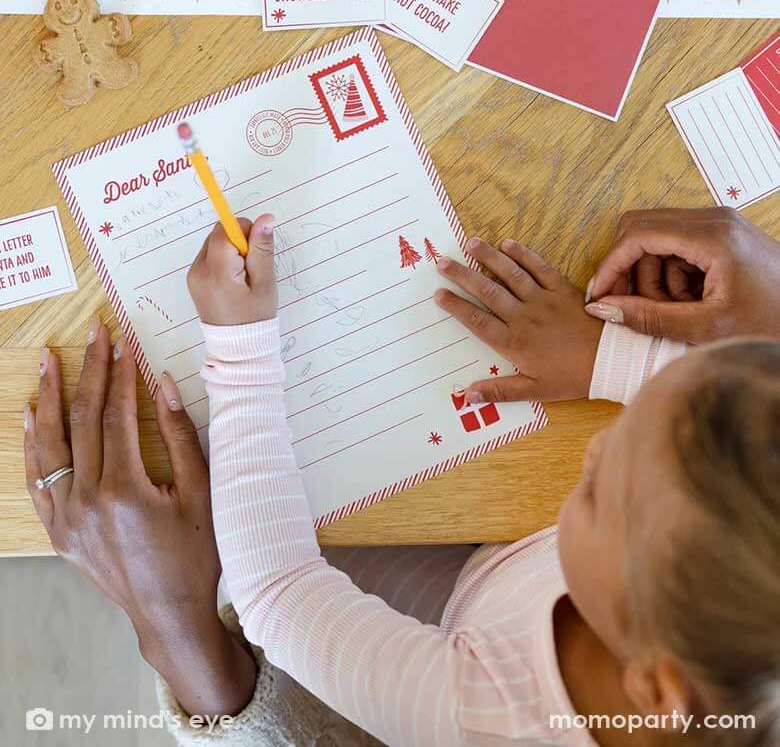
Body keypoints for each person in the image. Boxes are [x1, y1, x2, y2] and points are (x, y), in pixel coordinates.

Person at [24, 207, 780, 746]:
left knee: (217, 557)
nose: (592, 454)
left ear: (656, 693)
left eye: (600, 491)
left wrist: (242, 352)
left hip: (457, 617)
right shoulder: (709, 611)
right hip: (497, 568)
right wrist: (610, 361)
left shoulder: (482, 720)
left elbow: (281, 595)